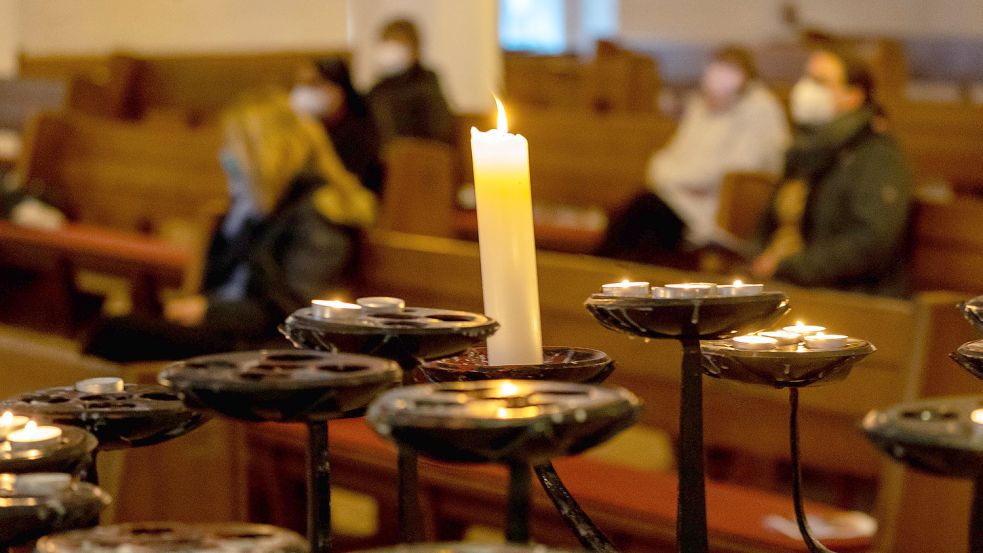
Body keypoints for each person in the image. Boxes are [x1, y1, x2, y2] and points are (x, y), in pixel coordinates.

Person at [84, 91, 377, 362]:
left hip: (263, 350)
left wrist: (210, 311)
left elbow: (295, 312)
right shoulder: (265, 203)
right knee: (116, 324)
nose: (225, 157)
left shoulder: (319, 212)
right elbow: (221, 276)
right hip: (233, 332)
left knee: (116, 333)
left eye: (232, 146)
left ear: (262, 151)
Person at [597, 46, 789, 264]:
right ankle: (603, 274)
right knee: (630, 218)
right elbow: (667, 157)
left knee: (643, 213)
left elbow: (738, 168)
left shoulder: (760, 108)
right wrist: (671, 179)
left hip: (714, 208)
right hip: (676, 195)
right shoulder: (701, 106)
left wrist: (676, 180)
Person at [750, 46, 914, 296]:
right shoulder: (807, 149)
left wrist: (788, 267)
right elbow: (770, 223)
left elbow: (870, 243)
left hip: (847, 294)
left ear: (853, 95)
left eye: (819, 82)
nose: (805, 89)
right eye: (806, 78)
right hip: (788, 282)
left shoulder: (877, 156)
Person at [290, 57, 385, 195]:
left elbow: (351, 184)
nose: (304, 92)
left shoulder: (361, 130)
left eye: (313, 84)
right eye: (300, 84)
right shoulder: (303, 128)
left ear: (338, 88)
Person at [367, 18, 454, 145]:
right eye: (387, 42)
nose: (391, 50)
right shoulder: (378, 89)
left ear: (414, 48)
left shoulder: (427, 82)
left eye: (398, 43)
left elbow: (440, 129)